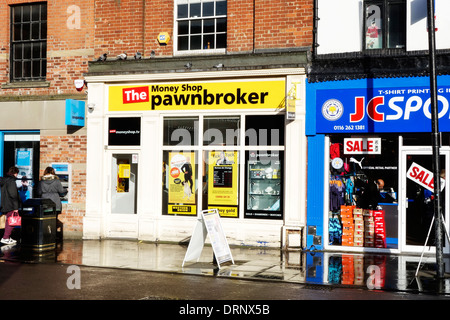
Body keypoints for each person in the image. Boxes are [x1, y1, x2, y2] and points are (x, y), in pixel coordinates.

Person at [36, 167, 67, 239]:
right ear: (53, 172)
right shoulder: (57, 181)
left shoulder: (41, 182)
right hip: (55, 202)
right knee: (54, 218)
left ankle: (46, 235)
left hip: (45, 202)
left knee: (45, 219)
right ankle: (53, 235)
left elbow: (38, 192)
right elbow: (61, 191)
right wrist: (66, 189)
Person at [0, 166, 20, 245]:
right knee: (11, 222)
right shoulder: (11, 181)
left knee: (9, 220)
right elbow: (13, 195)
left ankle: (7, 237)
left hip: (5, 203)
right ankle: (5, 238)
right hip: (11, 204)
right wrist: (16, 207)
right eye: (17, 174)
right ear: (15, 173)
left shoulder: (5, 180)